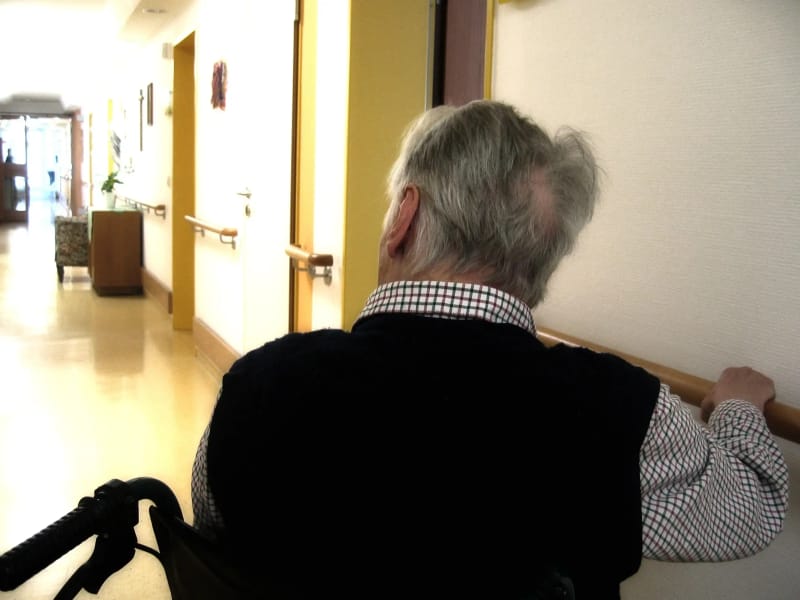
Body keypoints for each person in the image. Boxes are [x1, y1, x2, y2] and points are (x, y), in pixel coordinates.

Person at [190, 100, 788, 598]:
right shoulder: (620, 411)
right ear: (543, 264)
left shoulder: (260, 386)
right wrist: (737, 406)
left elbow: (213, 532)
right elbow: (752, 506)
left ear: (404, 216)